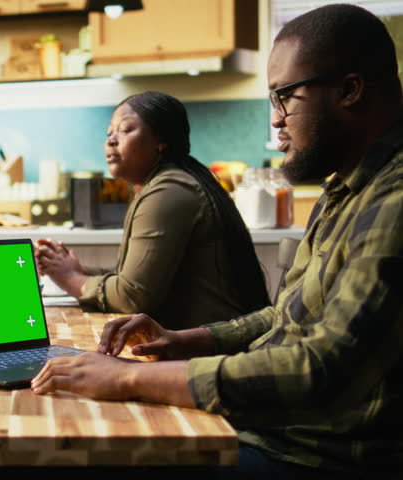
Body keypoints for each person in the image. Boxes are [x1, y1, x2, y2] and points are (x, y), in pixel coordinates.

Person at [31, 4, 402, 478]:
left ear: (349, 90)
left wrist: (131, 375)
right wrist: (187, 340)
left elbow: (321, 369)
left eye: (284, 97)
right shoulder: (345, 188)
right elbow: (287, 312)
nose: (276, 121)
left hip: (313, 453)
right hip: (274, 428)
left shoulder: (393, 202)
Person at [36, 91, 270, 330]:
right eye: (109, 133)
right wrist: (80, 271)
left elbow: (133, 298)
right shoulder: (165, 184)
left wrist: (72, 279)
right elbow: (137, 282)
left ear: (161, 140)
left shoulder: (168, 191)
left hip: (209, 354)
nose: (111, 140)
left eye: (125, 130)